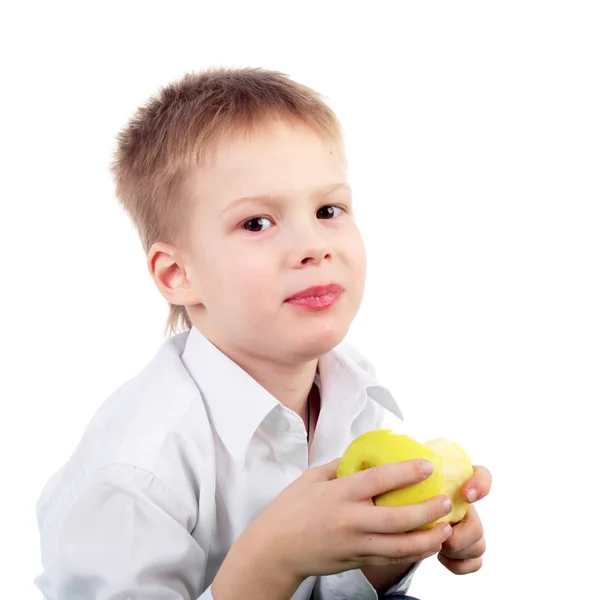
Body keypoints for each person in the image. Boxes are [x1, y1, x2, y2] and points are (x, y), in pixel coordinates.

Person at [35, 67, 491, 600]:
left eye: (328, 209)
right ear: (178, 275)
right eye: (257, 223)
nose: (313, 244)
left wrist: (398, 546)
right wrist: (272, 558)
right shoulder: (136, 469)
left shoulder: (354, 396)